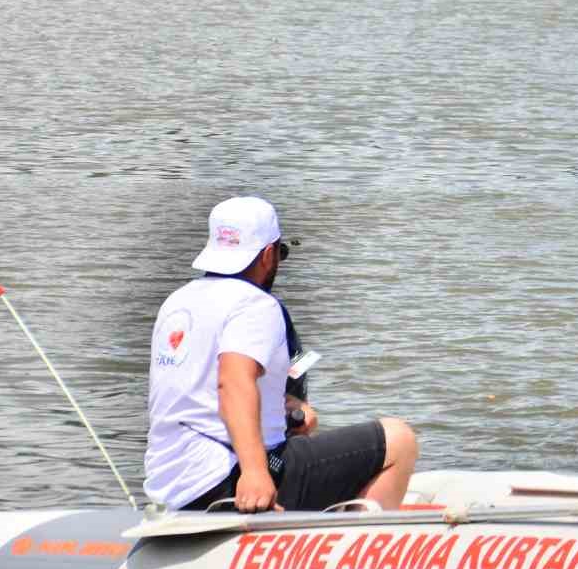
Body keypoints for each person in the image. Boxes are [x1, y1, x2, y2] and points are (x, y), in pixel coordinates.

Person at [145, 196, 418, 512]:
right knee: (399, 440)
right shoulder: (256, 304)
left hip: (171, 483)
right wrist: (255, 471)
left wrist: (291, 410)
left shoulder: (177, 301)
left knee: (305, 444)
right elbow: (232, 382)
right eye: (279, 253)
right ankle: (357, 550)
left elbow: (200, 392)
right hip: (226, 479)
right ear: (267, 254)